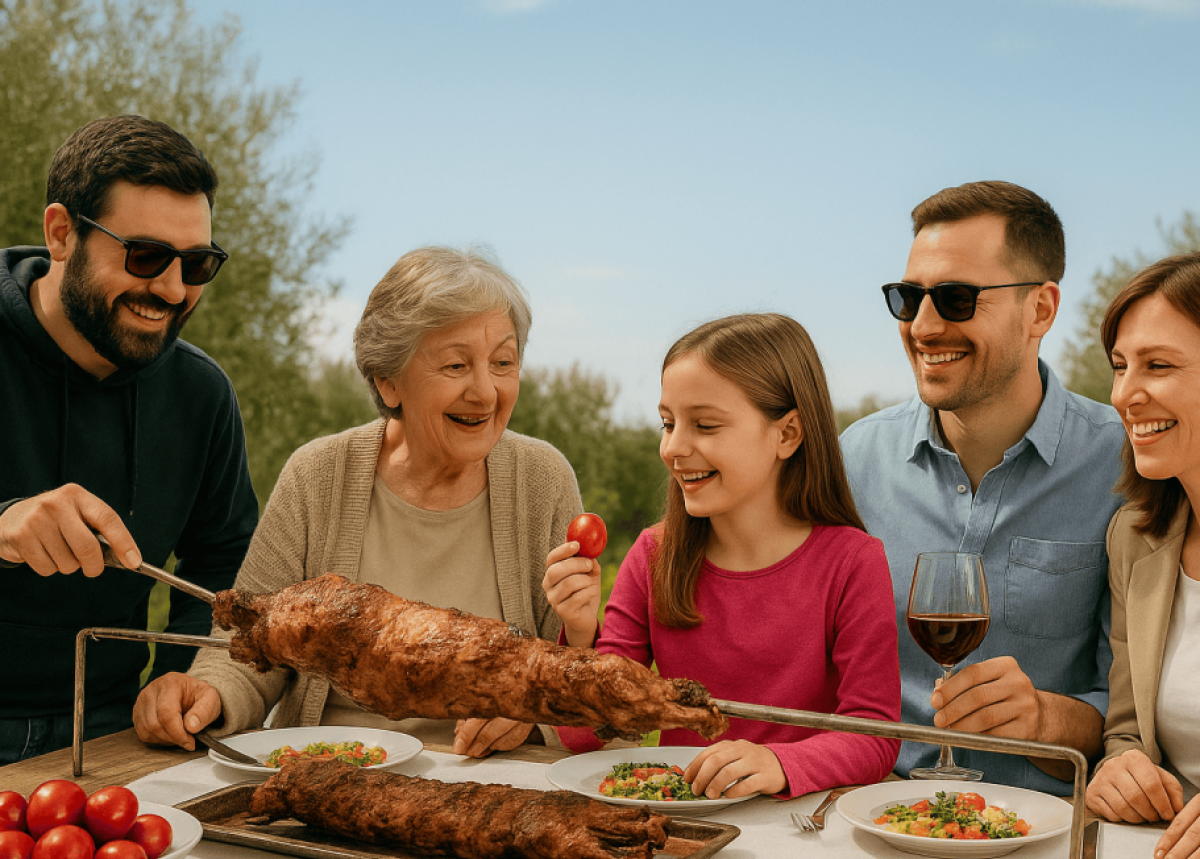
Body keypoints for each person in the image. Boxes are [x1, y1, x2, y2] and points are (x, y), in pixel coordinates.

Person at [133, 245, 583, 757]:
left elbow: (576, 667)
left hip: (493, 786)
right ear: (387, 381)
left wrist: (527, 713)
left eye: (503, 362)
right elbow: (252, 647)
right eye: (457, 365)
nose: (485, 391)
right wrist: (208, 692)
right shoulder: (317, 475)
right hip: (336, 777)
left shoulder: (542, 479)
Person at [839, 180, 1126, 793]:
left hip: (1045, 845)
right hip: (871, 825)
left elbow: (1136, 713)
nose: (923, 325)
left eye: (956, 298)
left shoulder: (1123, 465)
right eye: (908, 297)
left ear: (1041, 310)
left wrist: (1045, 718)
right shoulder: (852, 462)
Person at [544, 313, 900, 799]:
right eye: (667, 423)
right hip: (679, 823)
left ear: (787, 434)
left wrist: (779, 762)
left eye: (705, 425)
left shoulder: (852, 562)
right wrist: (582, 635)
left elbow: (876, 735)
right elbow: (582, 737)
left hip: (800, 825)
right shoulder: (654, 555)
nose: (673, 447)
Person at [0, 115, 258, 765]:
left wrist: (186, 672)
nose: (173, 289)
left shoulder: (201, 394)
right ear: (62, 234)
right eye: (145, 256)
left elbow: (223, 562)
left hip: (112, 728)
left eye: (197, 264)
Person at [1085, 252, 1200, 859]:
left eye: (1158, 365)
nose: (1125, 394)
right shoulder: (1135, 536)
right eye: (1121, 367)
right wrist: (1118, 769)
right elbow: (1128, 730)